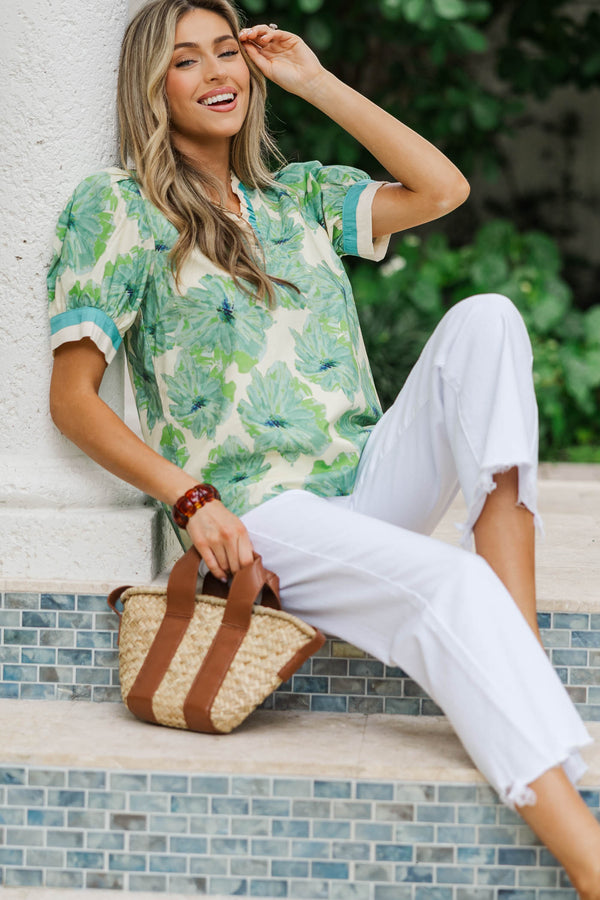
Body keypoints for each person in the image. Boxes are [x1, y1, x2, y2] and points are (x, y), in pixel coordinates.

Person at [47, 0, 600, 892]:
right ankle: (588, 857)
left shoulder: (294, 195)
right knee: (452, 585)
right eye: (187, 60)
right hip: (264, 514)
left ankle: (518, 662)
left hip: (365, 477)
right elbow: (73, 401)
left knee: (489, 319)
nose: (218, 72)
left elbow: (443, 190)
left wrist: (316, 81)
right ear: (152, 85)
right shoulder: (118, 208)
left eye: (228, 52)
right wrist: (189, 499)